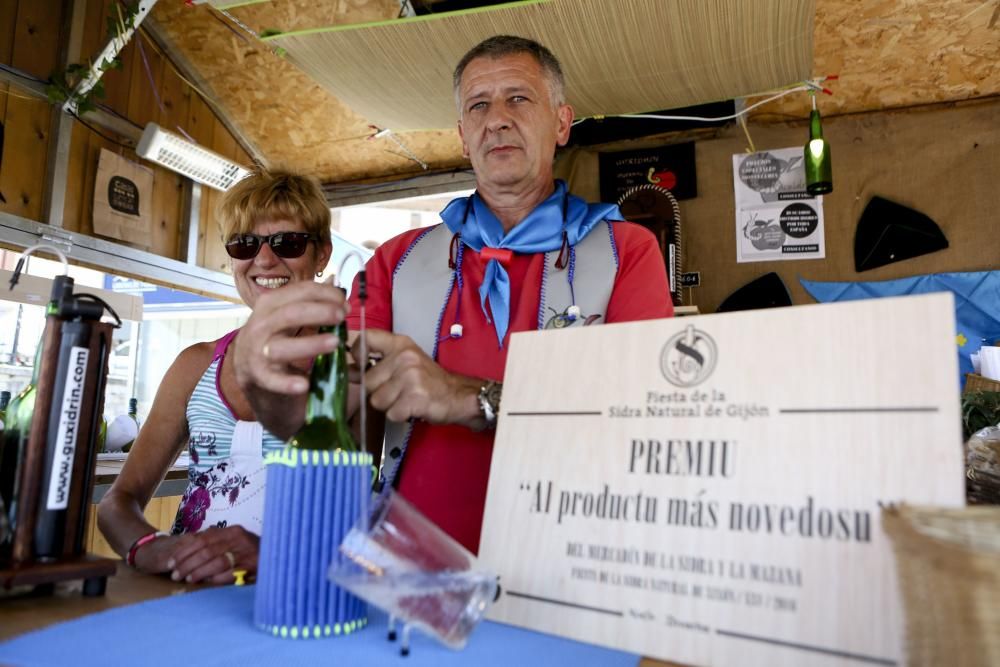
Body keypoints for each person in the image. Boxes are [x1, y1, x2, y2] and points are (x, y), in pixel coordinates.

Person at [234, 36, 673, 555]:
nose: (498, 119)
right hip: (409, 576)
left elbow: (648, 421)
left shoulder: (628, 251)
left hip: (575, 568)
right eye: (478, 105)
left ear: (561, 123)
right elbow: (315, 423)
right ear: (464, 136)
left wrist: (468, 397)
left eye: (519, 98)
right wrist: (260, 379)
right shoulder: (393, 262)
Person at [97, 170, 333, 583]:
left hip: (294, 603)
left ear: (322, 255)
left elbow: (359, 516)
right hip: (186, 596)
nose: (263, 259)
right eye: (245, 243)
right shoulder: (195, 365)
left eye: (287, 243)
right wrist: (153, 548)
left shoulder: (348, 367)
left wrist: (274, 555)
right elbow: (119, 501)